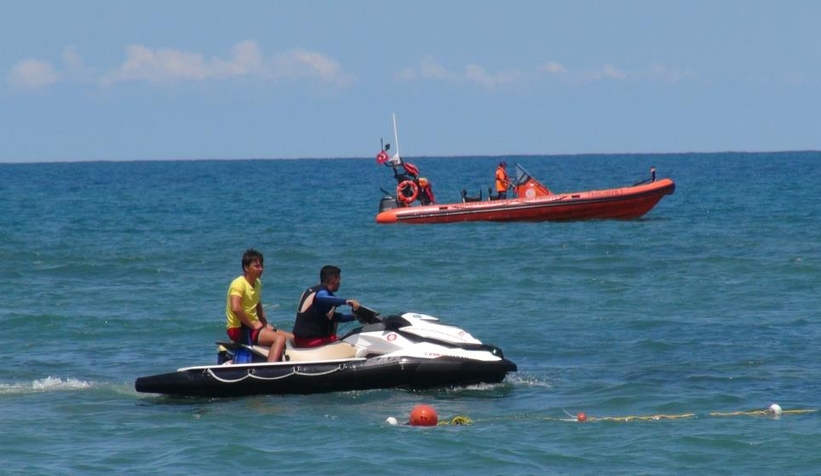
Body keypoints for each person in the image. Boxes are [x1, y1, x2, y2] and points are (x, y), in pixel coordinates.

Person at [225, 249, 292, 362]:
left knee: (292, 338)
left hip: (254, 326)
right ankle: (269, 370)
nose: (261, 269)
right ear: (246, 268)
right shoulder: (238, 284)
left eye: (261, 266)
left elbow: (257, 305)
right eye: (256, 266)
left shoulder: (257, 283)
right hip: (238, 329)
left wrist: (265, 323)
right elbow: (236, 308)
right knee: (279, 339)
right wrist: (253, 325)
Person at [292, 265, 361, 348]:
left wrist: (354, 317)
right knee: (354, 344)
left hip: (303, 339)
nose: (340, 283)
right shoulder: (321, 293)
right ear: (333, 280)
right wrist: (346, 301)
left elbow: (333, 317)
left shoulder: (314, 291)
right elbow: (322, 298)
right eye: (339, 279)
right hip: (310, 341)